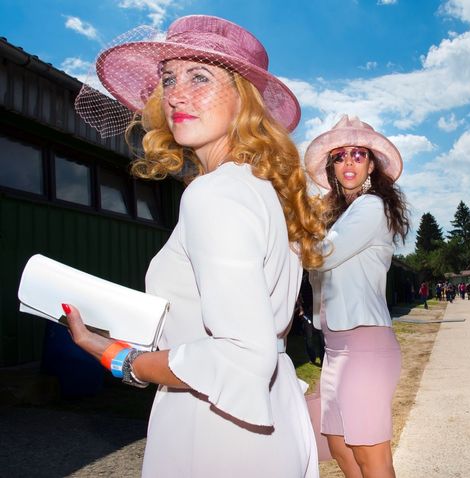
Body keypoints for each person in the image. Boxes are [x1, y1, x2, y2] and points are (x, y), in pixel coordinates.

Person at [62, 15, 325, 477]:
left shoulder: (215, 193)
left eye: (199, 77)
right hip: (264, 418)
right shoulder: (262, 189)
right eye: (168, 80)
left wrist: (124, 360)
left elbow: (242, 354)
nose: (176, 95)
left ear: (245, 100)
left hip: (217, 428)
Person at [304, 115, 409, 478]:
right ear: (332, 167)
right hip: (335, 348)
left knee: (370, 456)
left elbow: (320, 254)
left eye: (358, 154)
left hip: (364, 344)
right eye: (340, 156)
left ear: (371, 164)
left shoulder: (371, 207)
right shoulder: (338, 215)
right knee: (339, 449)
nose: (348, 162)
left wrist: (280, 232)